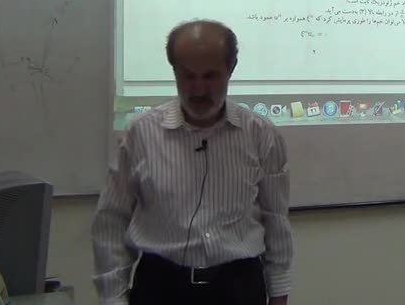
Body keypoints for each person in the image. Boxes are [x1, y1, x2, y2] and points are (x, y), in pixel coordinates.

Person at [92, 20, 292, 305]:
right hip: (160, 286)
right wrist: (113, 298)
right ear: (174, 71)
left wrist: (279, 294)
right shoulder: (141, 133)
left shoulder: (261, 134)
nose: (198, 90)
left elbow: (276, 221)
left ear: (231, 69)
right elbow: (112, 220)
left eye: (211, 76)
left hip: (239, 286)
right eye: (187, 76)